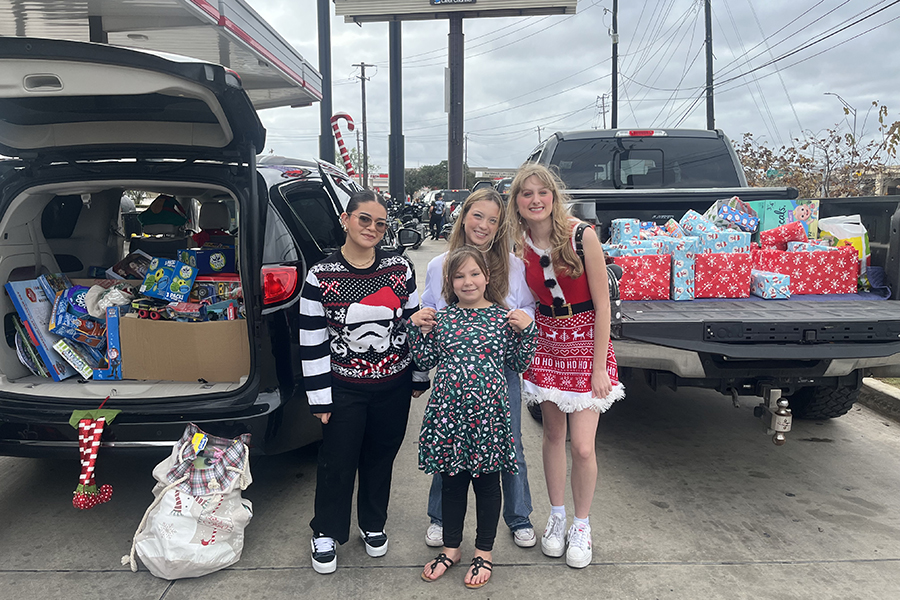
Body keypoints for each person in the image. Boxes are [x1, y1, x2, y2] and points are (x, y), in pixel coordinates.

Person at [299, 189, 429, 575]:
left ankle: (373, 523)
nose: (372, 228)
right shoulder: (320, 275)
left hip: (394, 383)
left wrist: (419, 373)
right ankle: (326, 530)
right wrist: (320, 398)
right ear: (346, 219)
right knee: (338, 460)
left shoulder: (399, 269)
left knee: (381, 457)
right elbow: (311, 338)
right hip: (343, 388)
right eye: (364, 219)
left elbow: (413, 323)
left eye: (380, 223)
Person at [506, 163, 625, 569]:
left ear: (553, 197)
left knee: (584, 444)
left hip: (585, 340)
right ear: (517, 203)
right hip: (546, 341)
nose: (535, 200)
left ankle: (581, 524)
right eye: (526, 194)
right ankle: (555, 517)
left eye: (543, 192)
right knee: (553, 434)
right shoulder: (518, 243)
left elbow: (603, 303)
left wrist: (598, 366)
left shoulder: (581, 235)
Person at [417, 187, 539, 549]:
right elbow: (429, 311)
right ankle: (440, 517)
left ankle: (518, 516)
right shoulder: (441, 264)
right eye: (477, 215)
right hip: (455, 375)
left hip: (499, 372)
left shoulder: (514, 266)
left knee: (509, 443)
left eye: (493, 219)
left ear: (500, 226)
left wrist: (522, 322)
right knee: (449, 445)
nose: (483, 225)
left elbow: (528, 309)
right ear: (463, 215)